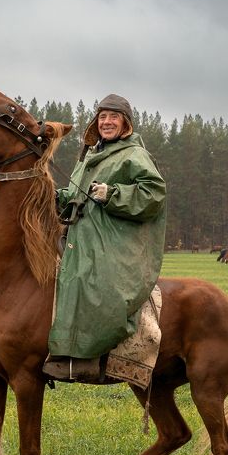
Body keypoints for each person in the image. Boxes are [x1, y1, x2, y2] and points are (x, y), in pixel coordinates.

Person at [43, 94, 167, 382]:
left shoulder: (134, 155)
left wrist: (113, 194)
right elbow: (75, 196)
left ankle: (85, 359)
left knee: (84, 278)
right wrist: (53, 195)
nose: (107, 122)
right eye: (102, 117)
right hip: (79, 234)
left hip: (112, 239)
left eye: (113, 117)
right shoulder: (91, 155)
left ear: (125, 123)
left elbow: (154, 194)